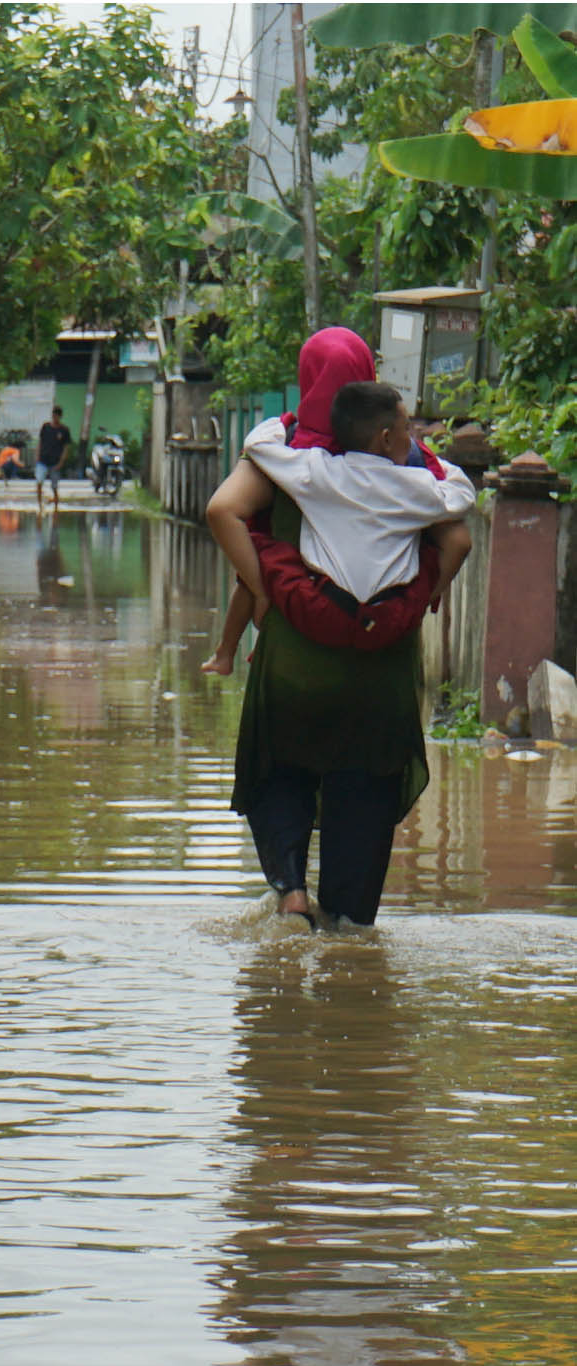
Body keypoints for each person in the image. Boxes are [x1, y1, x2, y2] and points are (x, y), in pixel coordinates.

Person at [205, 328, 473, 928]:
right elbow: (457, 536)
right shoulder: (405, 463)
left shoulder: (287, 452)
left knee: (281, 770)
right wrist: (420, 598)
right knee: (365, 787)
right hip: (378, 667)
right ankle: (348, 927)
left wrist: (265, 588)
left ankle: (292, 894)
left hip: (295, 659)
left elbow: (223, 510)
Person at [204, 381, 474, 670]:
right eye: (406, 429)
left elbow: (259, 445)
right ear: (385, 438)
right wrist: (433, 463)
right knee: (429, 556)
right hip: (390, 622)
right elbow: (464, 495)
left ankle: (239, 640)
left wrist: (287, 421)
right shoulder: (416, 486)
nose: (410, 439)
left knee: (260, 544)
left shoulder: (319, 471)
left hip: (322, 616)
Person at [35, 405, 71, 512]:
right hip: (42, 460)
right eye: (53, 415)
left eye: (57, 416)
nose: (55, 418)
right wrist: (37, 456)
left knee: (54, 486)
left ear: (60, 417)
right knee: (39, 482)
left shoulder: (64, 430)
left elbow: (66, 448)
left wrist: (61, 462)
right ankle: (39, 505)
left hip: (55, 462)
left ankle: (56, 506)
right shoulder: (45, 427)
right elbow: (40, 442)